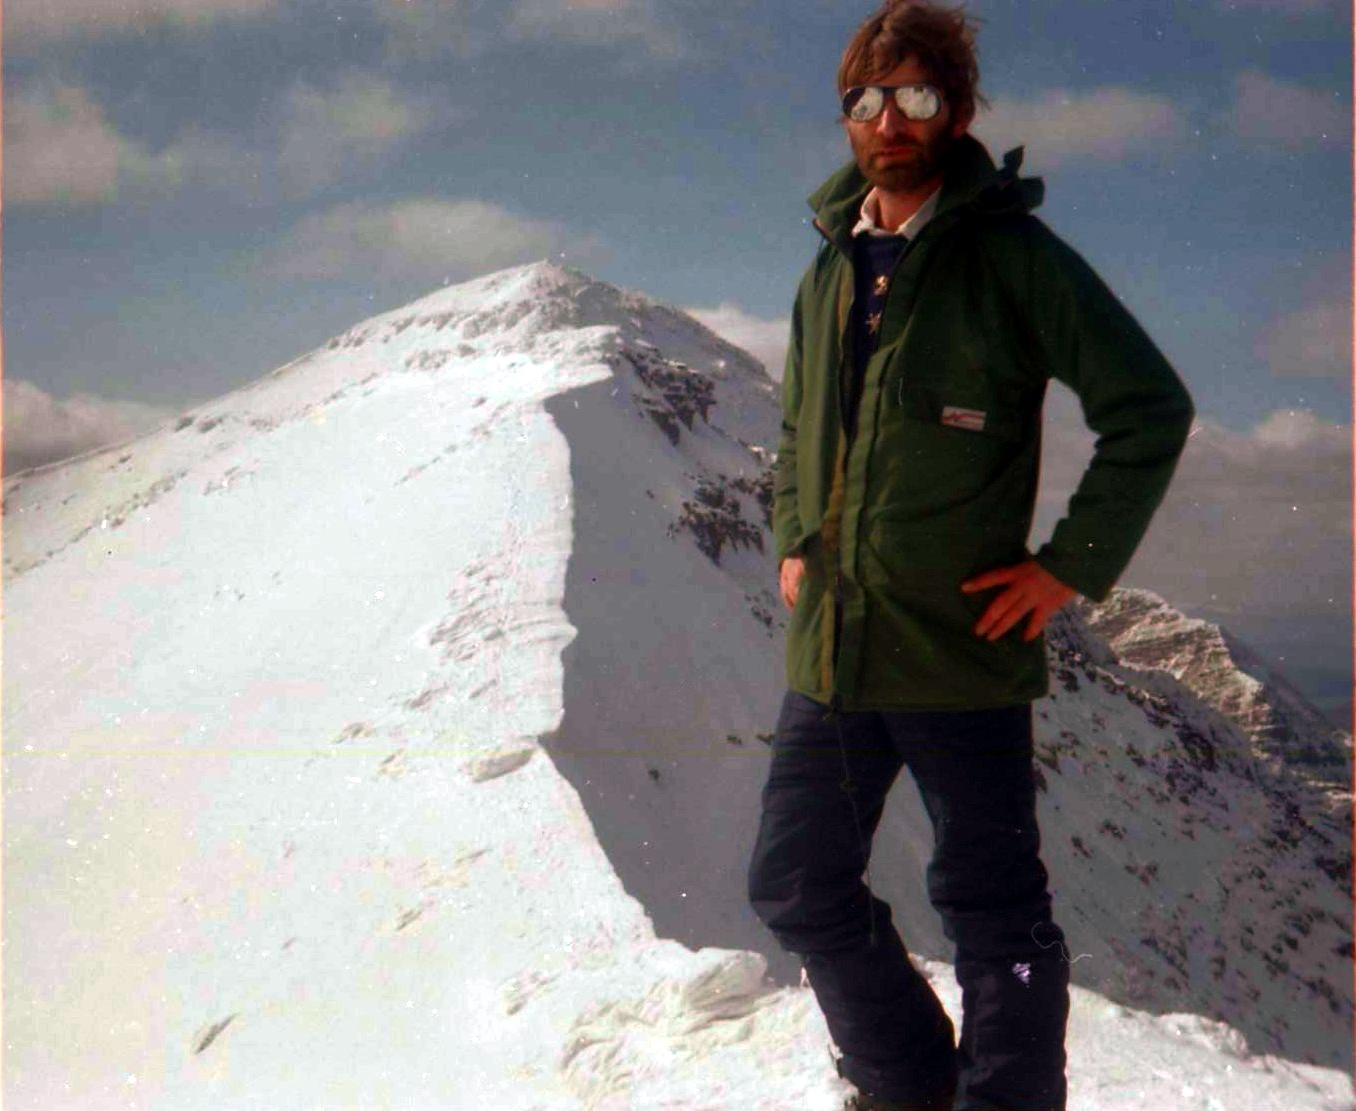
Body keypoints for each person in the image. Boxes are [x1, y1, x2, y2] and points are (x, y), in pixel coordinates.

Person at [745, 2, 1195, 1109]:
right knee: (799, 886)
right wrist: (797, 532)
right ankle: (908, 1084)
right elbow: (801, 416)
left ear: (956, 108)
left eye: (915, 96)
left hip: (960, 651)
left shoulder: (1011, 258)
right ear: (846, 115)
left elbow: (1150, 406)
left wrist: (1068, 564)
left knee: (997, 918)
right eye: (867, 99)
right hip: (836, 657)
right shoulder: (830, 266)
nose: (888, 120)